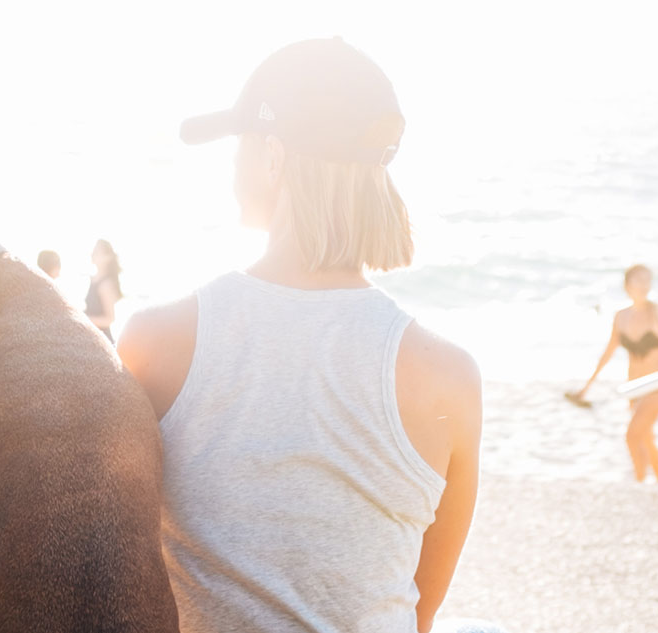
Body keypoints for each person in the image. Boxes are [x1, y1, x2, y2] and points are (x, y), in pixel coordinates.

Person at [118, 39, 488, 633]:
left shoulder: (155, 340)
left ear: (271, 155)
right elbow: (420, 610)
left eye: (239, 145)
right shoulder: (448, 376)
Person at [566, 265, 658, 484]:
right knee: (645, 437)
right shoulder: (620, 316)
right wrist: (586, 388)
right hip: (634, 386)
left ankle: (640, 484)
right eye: (639, 280)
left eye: (648, 280)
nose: (645, 285)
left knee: (632, 435)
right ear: (627, 285)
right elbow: (607, 354)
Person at [85, 239, 123, 341]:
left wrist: (85, 319)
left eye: (97, 252)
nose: (93, 254)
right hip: (92, 335)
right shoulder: (93, 279)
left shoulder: (106, 284)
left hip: (102, 339)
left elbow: (109, 319)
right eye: (93, 251)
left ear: (108, 257)